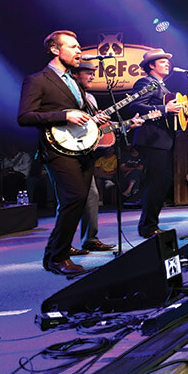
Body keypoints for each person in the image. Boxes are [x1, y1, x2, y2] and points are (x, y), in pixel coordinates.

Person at [17, 30, 109, 274]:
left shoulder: (75, 82)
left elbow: (79, 114)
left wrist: (93, 120)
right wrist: (63, 115)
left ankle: (53, 255)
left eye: (79, 46)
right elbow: (25, 116)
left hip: (80, 147)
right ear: (55, 50)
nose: (79, 51)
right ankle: (59, 257)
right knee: (74, 198)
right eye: (73, 46)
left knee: (79, 200)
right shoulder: (37, 80)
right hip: (57, 149)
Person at [129, 48, 187, 238]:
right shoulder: (146, 82)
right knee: (156, 183)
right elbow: (135, 106)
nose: (167, 63)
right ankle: (148, 227)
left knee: (162, 182)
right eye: (162, 61)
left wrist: (183, 114)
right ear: (151, 65)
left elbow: (169, 113)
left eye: (167, 61)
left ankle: (150, 224)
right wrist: (165, 108)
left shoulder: (162, 86)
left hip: (162, 141)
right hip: (152, 140)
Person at [69, 61, 119, 254]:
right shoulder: (66, 94)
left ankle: (90, 239)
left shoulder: (90, 98)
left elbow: (91, 128)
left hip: (85, 152)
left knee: (92, 195)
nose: (92, 76)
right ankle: (63, 246)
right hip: (67, 150)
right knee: (70, 199)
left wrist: (124, 124)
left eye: (93, 73)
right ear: (75, 74)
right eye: (88, 72)